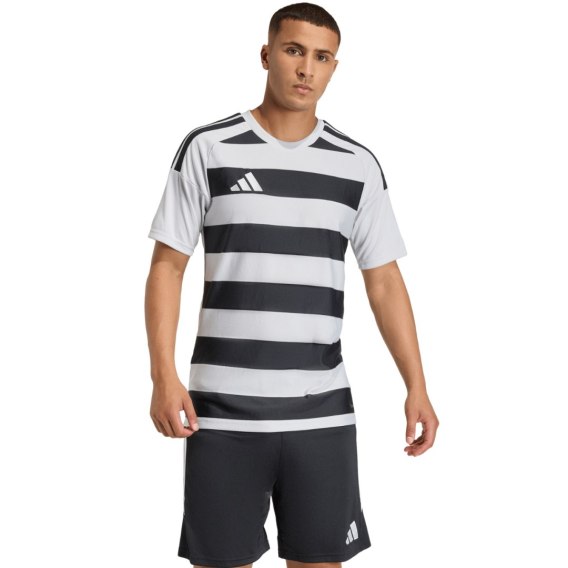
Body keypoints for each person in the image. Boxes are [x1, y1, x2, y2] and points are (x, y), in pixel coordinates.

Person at [145, 3, 439, 567]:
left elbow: (384, 281)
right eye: (294, 50)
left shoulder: (356, 165)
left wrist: (417, 386)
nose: (307, 68)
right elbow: (167, 267)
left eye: (322, 57)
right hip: (222, 414)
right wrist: (163, 375)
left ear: (334, 68)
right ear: (267, 55)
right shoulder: (209, 148)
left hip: (321, 415)